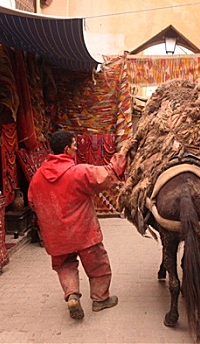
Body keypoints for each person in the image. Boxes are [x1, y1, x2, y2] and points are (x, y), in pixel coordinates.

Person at [28, 130, 134, 320]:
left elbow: (32, 202)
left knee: (65, 265)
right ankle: (100, 300)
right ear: (67, 149)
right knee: (98, 265)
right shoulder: (78, 172)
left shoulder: (37, 177)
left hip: (56, 236)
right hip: (83, 231)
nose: (76, 149)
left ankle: (72, 295)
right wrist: (123, 152)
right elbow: (108, 174)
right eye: (75, 145)